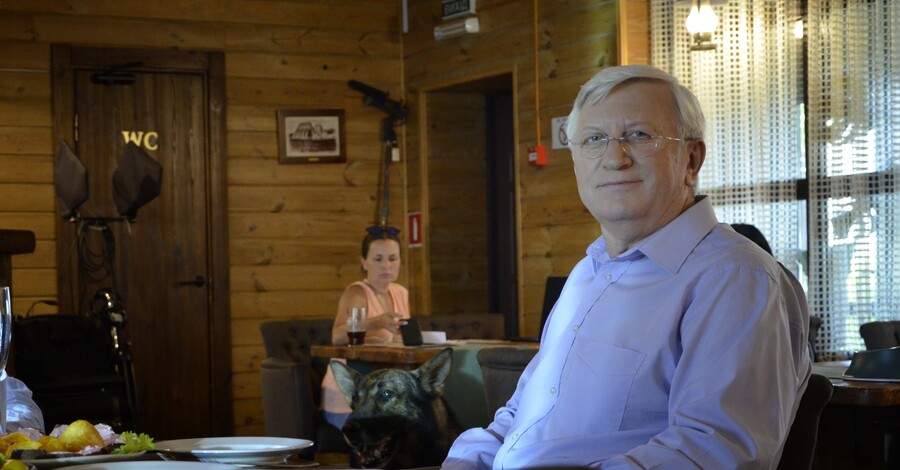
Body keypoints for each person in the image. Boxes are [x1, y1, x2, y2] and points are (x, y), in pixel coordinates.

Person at [443, 65, 812, 469]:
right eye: (594, 139)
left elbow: (712, 452)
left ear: (691, 159)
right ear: (576, 162)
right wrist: (465, 461)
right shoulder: (586, 274)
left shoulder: (734, 277)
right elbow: (521, 417)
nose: (614, 158)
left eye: (638, 135)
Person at [320, 226, 410, 429]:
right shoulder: (357, 292)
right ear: (364, 262)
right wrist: (377, 322)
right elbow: (337, 336)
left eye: (392, 258)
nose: (386, 266)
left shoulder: (401, 292)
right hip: (350, 393)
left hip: (383, 391)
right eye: (378, 259)